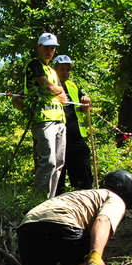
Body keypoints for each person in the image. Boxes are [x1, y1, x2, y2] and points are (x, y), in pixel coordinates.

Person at [15, 32, 67, 200]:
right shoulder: (34, 64)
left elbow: (64, 98)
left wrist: (56, 90)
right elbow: (47, 87)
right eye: (47, 47)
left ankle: (49, 201)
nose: (50, 51)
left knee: (58, 163)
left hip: (59, 120)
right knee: (48, 162)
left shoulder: (52, 71)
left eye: (53, 48)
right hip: (43, 119)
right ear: (39, 47)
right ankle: (37, 201)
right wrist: (55, 90)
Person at [52, 55, 94, 195]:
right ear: (54, 69)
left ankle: (87, 202)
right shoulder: (47, 85)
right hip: (56, 138)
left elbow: (84, 108)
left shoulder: (72, 86)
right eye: (62, 69)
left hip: (76, 139)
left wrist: (86, 102)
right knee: (58, 180)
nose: (66, 72)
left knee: (84, 178)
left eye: (68, 69)